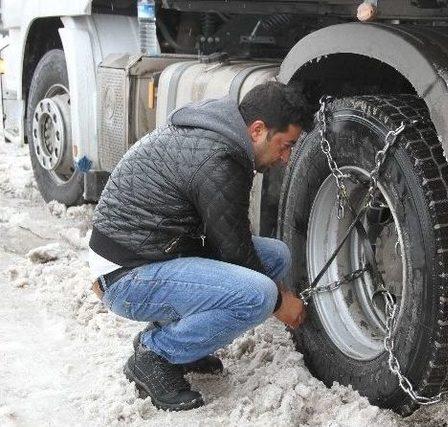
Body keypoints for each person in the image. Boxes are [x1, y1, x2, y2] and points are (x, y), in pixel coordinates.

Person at [88, 81, 312, 411]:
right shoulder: (219, 159)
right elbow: (235, 253)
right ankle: (156, 353)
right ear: (258, 130)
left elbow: (232, 240)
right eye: (285, 145)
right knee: (260, 295)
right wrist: (281, 302)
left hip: (151, 253)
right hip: (126, 274)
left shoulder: (220, 138)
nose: (285, 157)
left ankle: (183, 344)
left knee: (276, 255)